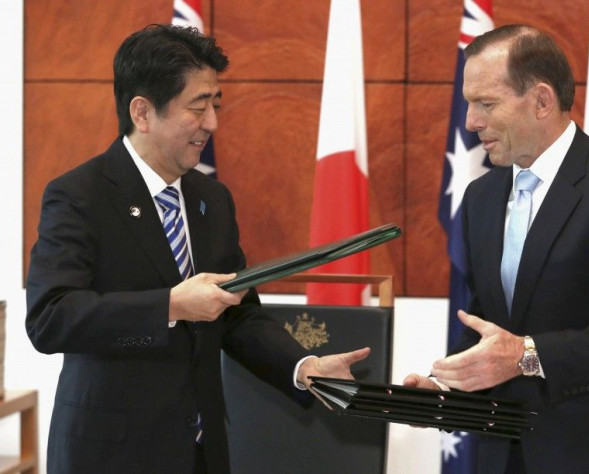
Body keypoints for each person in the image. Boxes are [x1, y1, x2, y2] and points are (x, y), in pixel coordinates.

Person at [25, 24, 370, 474]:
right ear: (143, 112)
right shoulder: (79, 195)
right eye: (198, 106)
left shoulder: (212, 199)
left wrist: (304, 367)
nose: (213, 122)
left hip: (202, 454)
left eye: (216, 104)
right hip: (110, 455)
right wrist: (170, 305)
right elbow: (51, 317)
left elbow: (238, 315)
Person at [404, 24, 589, 473]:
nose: (470, 122)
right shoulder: (480, 200)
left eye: (486, 104)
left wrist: (526, 355)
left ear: (541, 101)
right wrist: (448, 388)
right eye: (468, 103)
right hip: (506, 455)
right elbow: (490, 324)